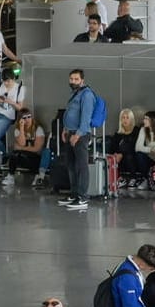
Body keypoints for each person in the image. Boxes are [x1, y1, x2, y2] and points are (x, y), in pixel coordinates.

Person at [58, 68, 97, 211]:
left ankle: (82, 197)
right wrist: (65, 129)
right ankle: (74, 194)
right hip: (70, 133)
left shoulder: (86, 95)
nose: (73, 81)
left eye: (76, 79)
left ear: (82, 80)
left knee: (81, 166)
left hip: (80, 135)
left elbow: (85, 118)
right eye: (71, 79)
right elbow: (71, 113)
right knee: (71, 165)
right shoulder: (75, 94)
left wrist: (78, 134)